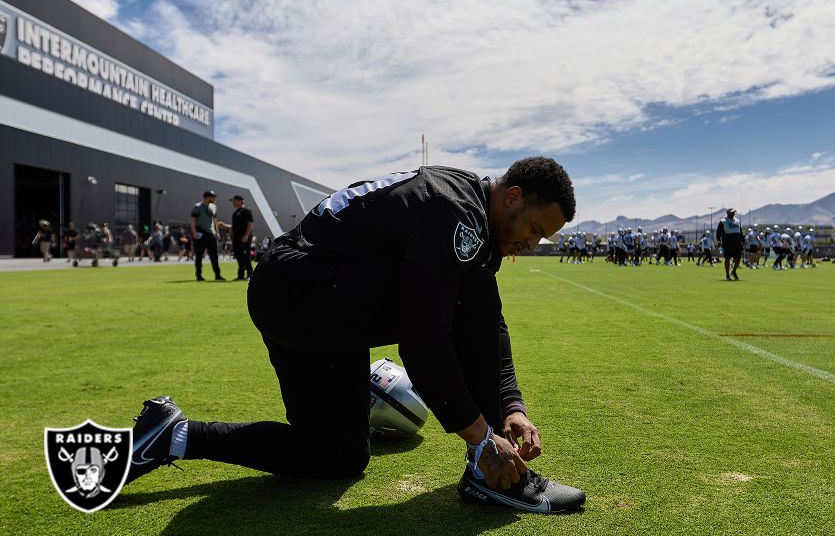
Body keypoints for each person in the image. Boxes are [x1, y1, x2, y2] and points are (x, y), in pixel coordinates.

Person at [125, 156, 586, 513]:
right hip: (299, 292)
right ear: (512, 197)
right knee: (468, 296)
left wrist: (512, 409)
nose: (530, 245)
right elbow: (425, 340)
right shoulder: (456, 212)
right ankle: (487, 471)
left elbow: (490, 327)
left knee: (335, 456)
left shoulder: (471, 212)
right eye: (534, 230)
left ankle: (177, 435)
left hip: (315, 298)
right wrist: (481, 437)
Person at [190, 191, 226, 281]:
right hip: (201, 233)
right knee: (199, 255)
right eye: (213, 197)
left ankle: (217, 275)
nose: (214, 199)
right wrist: (194, 232)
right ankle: (199, 275)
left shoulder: (213, 207)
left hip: (211, 234)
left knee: (214, 256)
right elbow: (192, 220)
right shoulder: (197, 207)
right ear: (207, 197)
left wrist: (217, 232)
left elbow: (215, 220)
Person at [231, 195, 255, 280]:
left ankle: (250, 274)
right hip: (236, 239)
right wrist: (224, 226)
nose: (233, 203)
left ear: (241, 201)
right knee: (238, 256)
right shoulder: (235, 213)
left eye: (234, 201)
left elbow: (250, 224)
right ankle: (240, 275)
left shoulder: (247, 211)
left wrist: (246, 235)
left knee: (245, 256)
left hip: (244, 238)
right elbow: (234, 227)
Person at [716, 208, 745, 280]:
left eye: (734, 212)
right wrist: (719, 241)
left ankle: (734, 271)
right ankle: (727, 275)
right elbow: (718, 232)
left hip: (737, 242)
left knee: (738, 258)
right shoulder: (723, 221)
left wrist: (743, 241)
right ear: (728, 213)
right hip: (727, 242)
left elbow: (740, 232)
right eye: (732, 213)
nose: (733, 214)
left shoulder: (738, 221)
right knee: (728, 258)